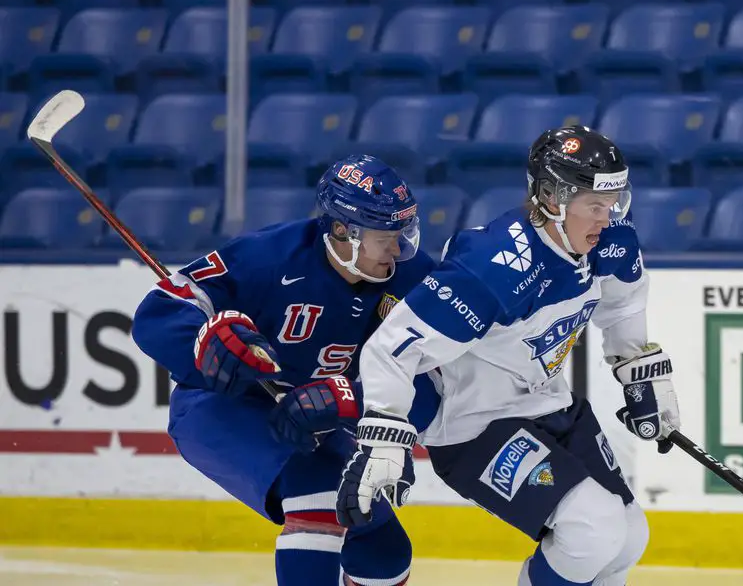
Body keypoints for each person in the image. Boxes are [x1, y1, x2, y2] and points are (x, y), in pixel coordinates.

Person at [336, 126, 681, 585]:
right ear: (552, 198)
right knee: (591, 531)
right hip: (476, 425)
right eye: (595, 205)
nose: (608, 216)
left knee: (628, 535)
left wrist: (642, 375)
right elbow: (393, 347)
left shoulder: (609, 240)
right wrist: (383, 438)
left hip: (549, 403)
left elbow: (623, 303)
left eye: (615, 201)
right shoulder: (493, 265)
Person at [131, 154, 441, 586]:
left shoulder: (414, 278)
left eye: (402, 233)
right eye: (384, 237)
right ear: (341, 231)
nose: (398, 249)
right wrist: (205, 342)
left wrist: (349, 399)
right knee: (317, 490)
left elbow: (433, 386)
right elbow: (160, 312)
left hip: (316, 423)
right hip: (222, 407)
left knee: (383, 549)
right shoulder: (268, 256)